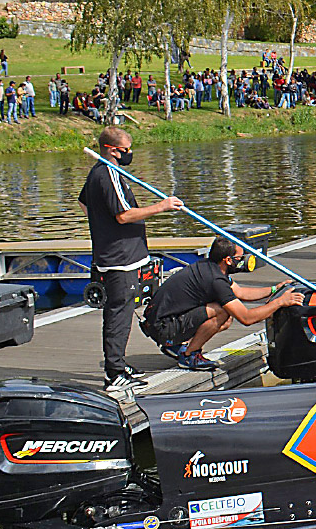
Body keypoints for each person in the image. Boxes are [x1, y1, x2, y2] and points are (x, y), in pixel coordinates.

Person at [79, 126, 184, 396]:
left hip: (124, 254)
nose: (130, 154)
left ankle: (120, 365)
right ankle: (114, 373)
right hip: (119, 258)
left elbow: (85, 203)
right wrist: (161, 206)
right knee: (119, 314)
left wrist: (102, 219)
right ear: (112, 150)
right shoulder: (106, 173)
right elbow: (123, 216)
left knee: (123, 310)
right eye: (127, 149)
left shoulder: (107, 174)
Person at [142, 238, 302, 369]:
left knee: (225, 318)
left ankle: (176, 345)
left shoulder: (210, 266)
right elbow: (246, 318)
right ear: (228, 260)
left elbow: (240, 293)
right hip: (163, 328)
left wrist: (274, 289)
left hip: (158, 322)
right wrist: (281, 302)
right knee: (223, 311)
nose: (243, 261)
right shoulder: (216, 280)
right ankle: (189, 355)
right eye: (239, 258)